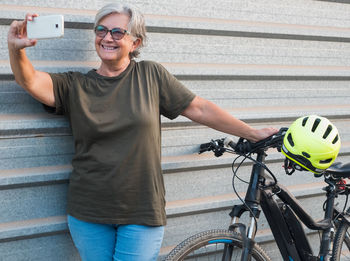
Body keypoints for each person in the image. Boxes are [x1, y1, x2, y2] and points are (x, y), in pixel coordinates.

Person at [7, 3, 277, 261]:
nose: (107, 38)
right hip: (88, 211)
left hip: (141, 209)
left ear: (135, 42)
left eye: (117, 32)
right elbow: (29, 80)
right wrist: (16, 48)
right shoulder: (75, 85)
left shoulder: (151, 75)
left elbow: (200, 108)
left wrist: (252, 133)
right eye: (101, 30)